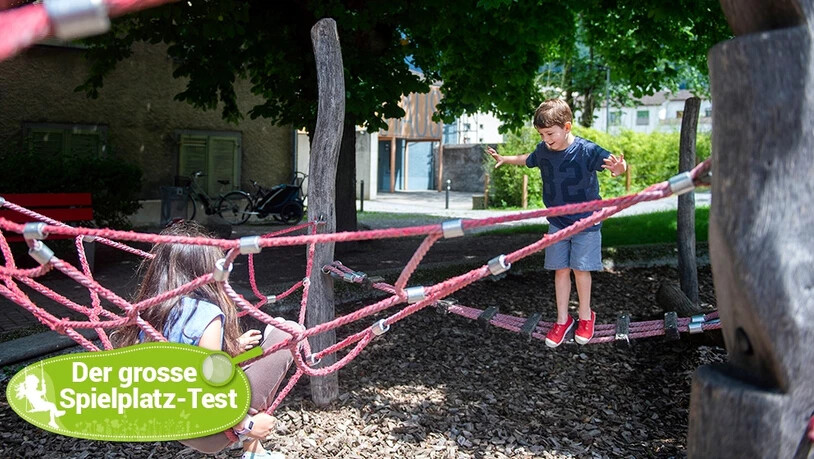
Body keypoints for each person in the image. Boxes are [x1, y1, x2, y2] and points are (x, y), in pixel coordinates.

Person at [112, 221, 300, 459]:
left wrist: (232, 349)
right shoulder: (206, 314)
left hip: (168, 420)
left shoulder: (151, 313)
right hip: (210, 430)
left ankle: (255, 450)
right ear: (205, 271)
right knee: (289, 332)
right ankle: (252, 447)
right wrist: (249, 425)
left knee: (249, 355)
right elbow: (211, 390)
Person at [487, 99, 626, 348]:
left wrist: (620, 168)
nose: (546, 139)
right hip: (558, 223)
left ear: (567, 127)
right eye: (542, 134)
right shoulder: (543, 151)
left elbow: (615, 167)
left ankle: (586, 316)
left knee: (581, 269)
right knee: (560, 269)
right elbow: (528, 159)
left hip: (587, 222)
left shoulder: (586, 150)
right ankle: (563, 320)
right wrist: (505, 159)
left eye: (550, 133)